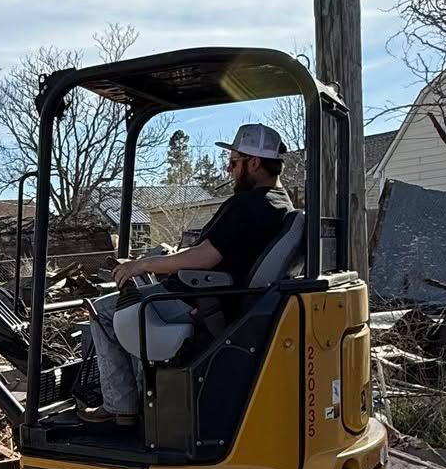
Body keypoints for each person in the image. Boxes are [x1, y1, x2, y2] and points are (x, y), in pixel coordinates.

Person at [82, 122, 297, 423]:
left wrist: (141, 265)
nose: (229, 171)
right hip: (224, 296)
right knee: (134, 297)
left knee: (103, 311)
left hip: (204, 301)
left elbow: (206, 257)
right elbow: (225, 251)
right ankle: (141, 397)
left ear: (254, 162)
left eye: (233, 163)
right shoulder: (281, 204)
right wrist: (169, 258)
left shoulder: (250, 204)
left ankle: (121, 407)